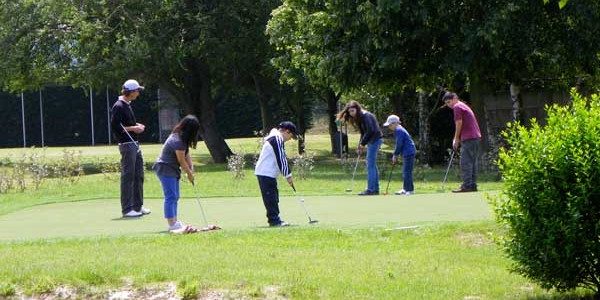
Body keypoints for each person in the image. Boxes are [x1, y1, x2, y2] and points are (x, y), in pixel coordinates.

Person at [152, 115, 202, 233]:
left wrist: (191, 167)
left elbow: (186, 155)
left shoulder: (181, 138)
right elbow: (181, 161)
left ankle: (174, 221)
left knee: (175, 196)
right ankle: (172, 224)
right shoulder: (177, 140)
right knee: (171, 196)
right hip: (165, 168)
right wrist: (189, 174)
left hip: (171, 168)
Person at [110, 79, 150, 218]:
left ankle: (138, 206)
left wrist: (136, 125)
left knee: (138, 175)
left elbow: (126, 123)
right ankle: (127, 209)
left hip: (134, 144)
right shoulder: (119, 106)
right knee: (128, 176)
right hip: (127, 145)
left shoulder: (127, 104)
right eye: (137, 91)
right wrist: (134, 128)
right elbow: (116, 127)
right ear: (131, 92)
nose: (138, 93)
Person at [255, 121, 298, 227]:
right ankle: (274, 221)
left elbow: (281, 157)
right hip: (265, 172)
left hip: (268, 173)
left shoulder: (276, 138)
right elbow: (281, 158)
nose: (289, 139)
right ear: (287, 132)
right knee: (271, 198)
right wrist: (288, 175)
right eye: (291, 136)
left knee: (274, 197)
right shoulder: (277, 138)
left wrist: (287, 174)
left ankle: (275, 220)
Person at [338, 101, 383, 195]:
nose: (351, 113)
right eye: (350, 111)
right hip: (372, 140)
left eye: (352, 111)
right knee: (372, 165)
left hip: (375, 140)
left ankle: (370, 189)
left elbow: (370, 131)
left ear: (357, 109)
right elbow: (363, 133)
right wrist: (360, 145)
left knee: (370, 164)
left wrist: (363, 144)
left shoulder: (366, 116)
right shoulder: (359, 117)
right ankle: (375, 189)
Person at [442, 91, 482, 193]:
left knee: (465, 162)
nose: (449, 105)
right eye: (446, 103)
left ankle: (467, 185)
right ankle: (472, 185)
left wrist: (456, 138)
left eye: (449, 101)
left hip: (469, 137)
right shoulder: (463, 105)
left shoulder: (457, 107)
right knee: (472, 162)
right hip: (475, 137)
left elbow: (459, 122)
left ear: (455, 98)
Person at [383, 115, 417, 195]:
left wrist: (395, 154)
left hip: (409, 152)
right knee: (406, 171)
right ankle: (406, 189)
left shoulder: (399, 130)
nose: (389, 127)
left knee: (407, 172)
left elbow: (399, 144)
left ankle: (409, 190)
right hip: (408, 152)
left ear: (395, 123)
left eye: (390, 125)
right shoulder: (399, 129)